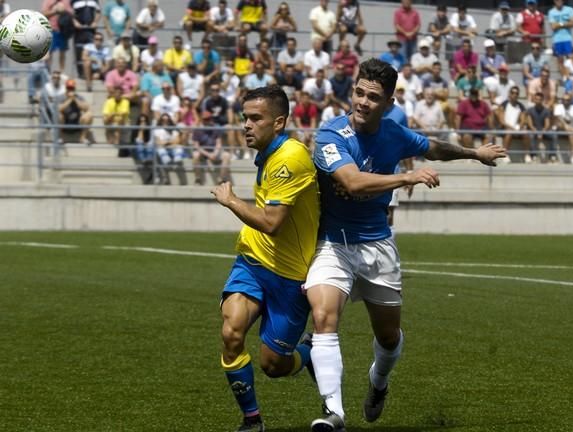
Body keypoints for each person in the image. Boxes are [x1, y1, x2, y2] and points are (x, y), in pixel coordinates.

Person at [306, 58, 505, 431]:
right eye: (359, 93)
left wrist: (474, 154)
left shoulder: (394, 134)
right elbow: (351, 183)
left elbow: (433, 147)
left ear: (388, 102)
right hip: (333, 243)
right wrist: (405, 177)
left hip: (377, 247)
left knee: (388, 336)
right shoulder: (331, 136)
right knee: (322, 318)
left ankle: (378, 383)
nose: (362, 102)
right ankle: (334, 413)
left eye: (373, 97)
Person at [210, 85, 319, 432]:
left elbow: (272, 223)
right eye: (245, 118)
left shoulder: (289, 157)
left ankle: (309, 354)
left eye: (256, 118)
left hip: (289, 274)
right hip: (253, 262)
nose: (246, 125)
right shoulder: (269, 153)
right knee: (231, 332)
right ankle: (251, 420)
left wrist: (231, 201)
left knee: (273, 365)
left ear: (279, 122)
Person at [192, 110, 232, 184]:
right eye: (205, 119)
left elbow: (219, 143)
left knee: (227, 155)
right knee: (195, 155)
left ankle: (221, 179)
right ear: (202, 119)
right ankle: (198, 178)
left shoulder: (215, 128)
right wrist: (208, 154)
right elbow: (196, 146)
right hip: (203, 152)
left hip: (214, 151)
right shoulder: (197, 129)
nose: (207, 121)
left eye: (208, 119)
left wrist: (215, 153)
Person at [153, 112, 187, 185]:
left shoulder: (174, 130)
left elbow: (178, 141)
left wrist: (166, 143)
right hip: (163, 150)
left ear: (170, 121)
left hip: (172, 149)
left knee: (179, 147)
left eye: (167, 120)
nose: (165, 122)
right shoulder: (157, 130)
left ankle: (177, 160)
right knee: (160, 150)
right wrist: (170, 142)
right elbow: (158, 142)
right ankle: (166, 163)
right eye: (163, 120)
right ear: (161, 121)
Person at [41, 0, 74, 72]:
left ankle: (61, 72)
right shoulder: (47, 1)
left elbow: (71, 13)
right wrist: (55, 11)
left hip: (63, 30)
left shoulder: (67, 1)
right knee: (49, 52)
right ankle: (48, 71)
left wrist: (64, 11)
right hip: (51, 29)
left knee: (62, 52)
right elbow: (43, 14)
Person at [496, 86, 527, 162]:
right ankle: (505, 154)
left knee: (526, 133)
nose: (515, 94)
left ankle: (527, 155)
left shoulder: (521, 106)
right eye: (513, 93)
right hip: (504, 128)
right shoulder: (504, 104)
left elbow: (523, 120)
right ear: (509, 94)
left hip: (516, 128)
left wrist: (520, 127)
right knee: (509, 132)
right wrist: (511, 128)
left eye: (516, 93)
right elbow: (501, 121)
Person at [59, 79, 93, 145]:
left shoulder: (79, 97)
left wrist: (75, 99)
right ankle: (61, 138)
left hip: (77, 123)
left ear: (74, 89)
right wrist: (69, 100)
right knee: (58, 115)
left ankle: (82, 138)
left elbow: (86, 108)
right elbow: (59, 109)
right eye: (68, 88)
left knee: (89, 115)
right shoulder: (61, 97)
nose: (70, 90)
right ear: (66, 88)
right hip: (64, 123)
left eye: (72, 88)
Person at [71, 0, 101, 76]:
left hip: (90, 30)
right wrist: (75, 22)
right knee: (79, 51)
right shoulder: (74, 1)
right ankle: (81, 73)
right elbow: (70, 13)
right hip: (79, 30)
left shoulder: (95, 1)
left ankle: (92, 72)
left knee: (92, 51)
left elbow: (98, 12)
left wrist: (95, 22)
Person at [525, 92, 555, 163]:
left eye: (540, 99)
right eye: (536, 99)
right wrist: (536, 132)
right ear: (534, 100)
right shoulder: (530, 110)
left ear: (542, 100)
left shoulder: (546, 111)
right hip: (533, 130)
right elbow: (530, 124)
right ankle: (533, 156)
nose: (538, 101)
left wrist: (542, 132)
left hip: (543, 131)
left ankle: (552, 156)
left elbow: (547, 124)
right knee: (531, 136)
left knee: (554, 135)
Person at [553, 93, 573, 164]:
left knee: (571, 134)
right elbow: (560, 120)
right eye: (563, 100)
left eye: (567, 100)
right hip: (559, 129)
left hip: (570, 131)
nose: (565, 101)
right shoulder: (558, 107)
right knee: (561, 124)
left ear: (571, 100)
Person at [547, 0, 573, 71]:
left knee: (570, 59)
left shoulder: (570, 10)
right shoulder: (551, 12)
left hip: (567, 39)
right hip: (557, 39)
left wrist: (559, 24)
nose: (559, 1)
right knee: (560, 60)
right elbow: (553, 27)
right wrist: (566, 23)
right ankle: (563, 77)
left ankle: (570, 75)